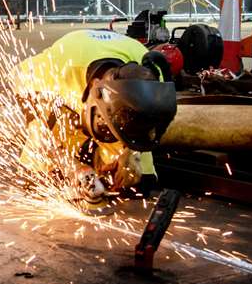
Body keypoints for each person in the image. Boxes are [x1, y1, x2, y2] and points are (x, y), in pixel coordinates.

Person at [11, 29, 177, 203]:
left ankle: (106, 158)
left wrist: (131, 155)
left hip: (110, 92)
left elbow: (143, 124)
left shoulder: (148, 70)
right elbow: (19, 77)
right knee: (41, 166)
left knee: (140, 184)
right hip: (59, 90)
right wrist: (72, 167)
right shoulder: (60, 68)